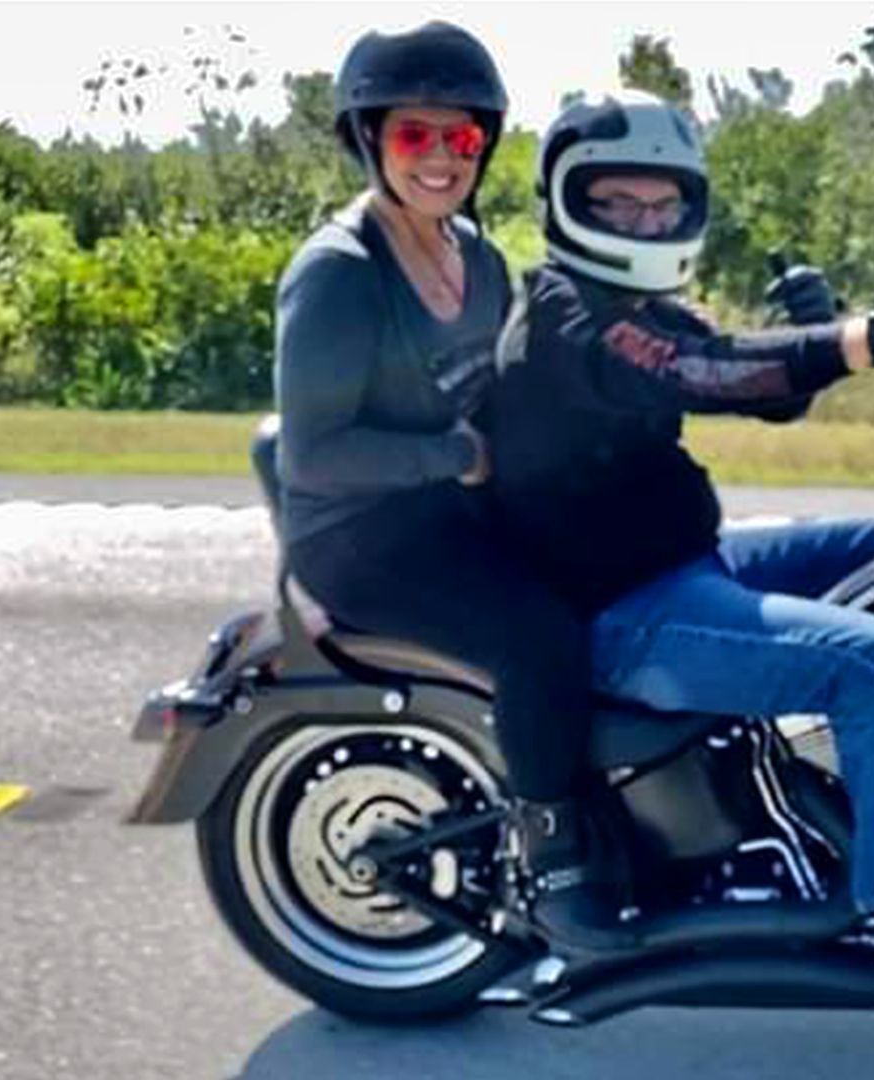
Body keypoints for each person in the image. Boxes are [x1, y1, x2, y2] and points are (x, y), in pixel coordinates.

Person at [476, 90, 874, 1040]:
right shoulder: (570, 316)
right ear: (568, 202)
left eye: (662, 204)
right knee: (864, 658)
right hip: (620, 613)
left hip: (684, 561)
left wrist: (829, 325)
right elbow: (705, 371)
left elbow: (745, 379)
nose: (644, 221)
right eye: (617, 201)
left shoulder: (630, 306)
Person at [271, 21, 615, 948]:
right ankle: (555, 861)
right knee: (537, 638)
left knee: (623, 569)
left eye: (460, 136)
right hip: (358, 537)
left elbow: (508, 391)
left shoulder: (479, 256)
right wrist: (454, 457)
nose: (440, 157)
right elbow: (312, 454)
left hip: (447, 514)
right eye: (414, 134)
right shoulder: (339, 275)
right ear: (369, 139)